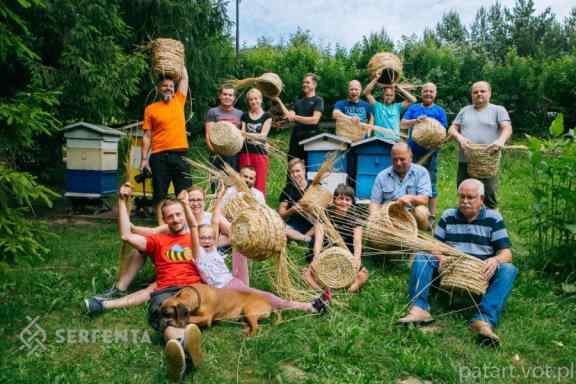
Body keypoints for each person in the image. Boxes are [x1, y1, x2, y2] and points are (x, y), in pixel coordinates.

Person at [88, 182, 204, 381]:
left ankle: (183, 345)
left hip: (192, 288)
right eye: (170, 216)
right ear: (165, 220)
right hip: (166, 290)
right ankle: (181, 345)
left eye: (178, 214)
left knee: (179, 308)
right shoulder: (158, 239)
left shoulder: (198, 235)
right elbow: (126, 235)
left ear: (185, 213)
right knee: (163, 313)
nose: (175, 220)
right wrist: (122, 202)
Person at [398, 179, 517, 347]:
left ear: (481, 199)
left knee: (508, 270)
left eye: (471, 197)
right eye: (462, 196)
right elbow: (436, 246)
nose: (465, 201)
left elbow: (506, 253)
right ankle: (419, 308)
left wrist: (495, 260)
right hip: (449, 268)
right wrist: (440, 256)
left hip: (480, 271)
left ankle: (483, 320)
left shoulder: (493, 218)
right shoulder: (448, 216)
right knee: (421, 256)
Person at [86, 186, 230, 302]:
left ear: (204, 200)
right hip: (170, 266)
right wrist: (123, 205)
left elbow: (228, 233)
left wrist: (216, 243)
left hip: (195, 271)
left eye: (199, 199)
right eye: (191, 200)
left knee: (155, 288)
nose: (195, 203)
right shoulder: (176, 221)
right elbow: (144, 232)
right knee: (139, 251)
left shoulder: (208, 221)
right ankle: (120, 288)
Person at [448, 81, 513, 209]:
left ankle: (492, 223)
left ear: (489, 93)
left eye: (482, 91)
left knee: (488, 196)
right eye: (475, 92)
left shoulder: (498, 110)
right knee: (464, 194)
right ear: (471, 95)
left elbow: (507, 128)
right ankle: (465, 224)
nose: (479, 94)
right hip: (465, 160)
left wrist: (500, 141)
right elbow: (452, 128)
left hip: (486, 162)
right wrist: (459, 137)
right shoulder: (464, 110)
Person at [141, 66, 191, 206]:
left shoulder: (179, 101)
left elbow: (185, 78)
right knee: (159, 193)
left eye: (171, 86)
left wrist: (180, 62)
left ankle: (185, 223)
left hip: (180, 155)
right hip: (159, 157)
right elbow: (147, 136)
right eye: (165, 86)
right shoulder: (150, 109)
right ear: (158, 88)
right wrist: (144, 159)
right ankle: (161, 224)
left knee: (185, 192)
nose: (168, 88)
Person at [305, 184, 369, 293]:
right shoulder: (324, 215)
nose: (343, 202)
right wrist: (316, 257)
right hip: (326, 249)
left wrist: (356, 260)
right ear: (334, 200)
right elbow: (319, 238)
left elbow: (357, 242)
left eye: (347, 199)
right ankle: (320, 290)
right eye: (340, 198)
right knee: (307, 273)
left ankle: (350, 288)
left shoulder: (356, 218)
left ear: (352, 202)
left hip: (346, 251)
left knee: (364, 274)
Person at [400, 82, 448, 217]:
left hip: (431, 153)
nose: (428, 93)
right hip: (412, 152)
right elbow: (402, 124)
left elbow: (443, 132)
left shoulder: (439, 111)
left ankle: (431, 217)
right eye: (425, 91)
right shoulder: (414, 108)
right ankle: (408, 213)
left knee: (431, 183)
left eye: (431, 91)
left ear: (435, 93)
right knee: (409, 181)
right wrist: (415, 121)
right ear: (421, 93)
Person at [369, 143, 433, 230]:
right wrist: (374, 218)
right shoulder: (382, 176)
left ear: (411, 157)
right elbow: (375, 203)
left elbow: (424, 199)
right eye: (395, 160)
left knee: (422, 212)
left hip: (411, 215)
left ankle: (418, 235)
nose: (398, 163)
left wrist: (410, 198)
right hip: (389, 217)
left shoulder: (421, 172)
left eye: (402, 159)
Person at [277, 73, 324, 163]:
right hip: (296, 139)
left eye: (307, 82)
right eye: (303, 82)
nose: (304, 84)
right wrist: (278, 100)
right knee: (292, 166)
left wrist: (295, 117)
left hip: (311, 138)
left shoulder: (318, 100)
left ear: (314, 85)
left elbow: (314, 120)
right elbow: (289, 116)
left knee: (309, 168)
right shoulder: (298, 102)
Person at [364, 71, 416, 142]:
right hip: (379, 140)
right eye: (387, 95)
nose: (389, 97)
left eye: (391, 95)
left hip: (394, 141)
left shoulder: (397, 107)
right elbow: (366, 93)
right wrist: (376, 79)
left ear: (394, 97)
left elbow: (413, 100)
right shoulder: (377, 106)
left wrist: (399, 88)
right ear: (383, 95)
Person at [239, 88, 272, 195]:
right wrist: (248, 135)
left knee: (259, 182)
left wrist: (247, 134)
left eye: (256, 98)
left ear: (261, 99)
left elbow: (263, 136)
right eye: (251, 99)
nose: (254, 101)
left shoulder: (267, 116)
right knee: (244, 181)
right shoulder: (244, 116)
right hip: (246, 152)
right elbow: (241, 135)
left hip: (260, 153)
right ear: (248, 102)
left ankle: (259, 207)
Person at [205, 84, 243, 175]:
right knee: (217, 184)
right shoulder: (212, 112)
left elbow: (243, 135)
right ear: (220, 96)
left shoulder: (240, 114)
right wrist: (215, 152)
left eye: (230, 95)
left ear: (234, 98)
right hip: (217, 154)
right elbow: (208, 135)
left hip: (234, 155)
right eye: (225, 94)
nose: (227, 97)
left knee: (233, 185)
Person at [278, 158, 315, 243]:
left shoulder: (314, 185)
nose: (295, 174)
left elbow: (324, 208)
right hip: (294, 225)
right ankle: (305, 239)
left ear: (304, 171)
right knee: (282, 229)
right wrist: (292, 210)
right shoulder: (288, 189)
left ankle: (298, 238)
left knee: (322, 225)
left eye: (298, 171)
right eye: (292, 172)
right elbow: (281, 214)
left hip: (313, 224)